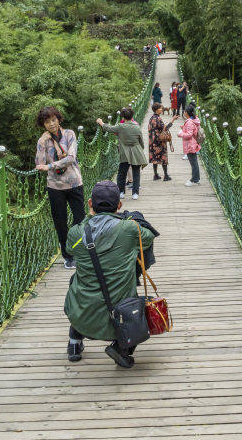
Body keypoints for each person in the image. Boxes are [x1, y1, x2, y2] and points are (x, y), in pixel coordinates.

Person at [64, 180, 156, 368]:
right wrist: (131, 218)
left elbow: (70, 249)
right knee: (140, 305)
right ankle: (121, 348)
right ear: (119, 205)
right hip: (122, 315)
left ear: (90, 204)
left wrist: (88, 220)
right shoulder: (130, 229)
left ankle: (74, 341)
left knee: (76, 280)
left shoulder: (76, 233)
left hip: (83, 315)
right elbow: (148, 237)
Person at [35, 106, 85, 269]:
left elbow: (71, 157)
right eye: (47, 122)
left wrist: (50, 166)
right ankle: (68, 256)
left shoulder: (69, 134)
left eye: (54, 120)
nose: (51, 124)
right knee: (60, 222)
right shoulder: (43, 140)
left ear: (58, 119)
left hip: (74, 182)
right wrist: (42, 143)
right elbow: (39, 164)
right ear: (43, 125)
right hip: (55, 187)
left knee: (80, 220)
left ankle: (78, 249)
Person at [97, 108, 147, 200]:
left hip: (124, 152)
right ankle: (135, 193)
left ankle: (121, 192)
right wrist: (141, 149)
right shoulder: (137, 126)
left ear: (123, 116)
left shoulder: (120, 126)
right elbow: (141, 142)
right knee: (136, 173)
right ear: (132, 116)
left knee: (121, 173)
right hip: (136, 151)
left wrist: (101, 122)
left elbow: (109, 128)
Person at [177, 103, 201, 186]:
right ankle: (196, 179)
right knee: (195, 162)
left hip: (191, 145)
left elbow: (189, 134)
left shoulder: (190, 122)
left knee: (193, 163)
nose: (183, 112)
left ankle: (193, 180)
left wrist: (180, 133)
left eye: (184, 111)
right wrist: (183, 128)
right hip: (193, 144)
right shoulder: (192, 120)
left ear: (186, 113)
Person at [148, 102, 172, 181]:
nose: (161, 110)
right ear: (156, 109)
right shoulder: (158, 118)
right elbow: (165, 128)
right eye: (160, 108)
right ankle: (166, 176)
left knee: (155, 157)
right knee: (163, 157)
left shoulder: (151, 118)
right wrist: (172, 121)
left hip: (152, 141)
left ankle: (155, 175)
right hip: (159, 141)